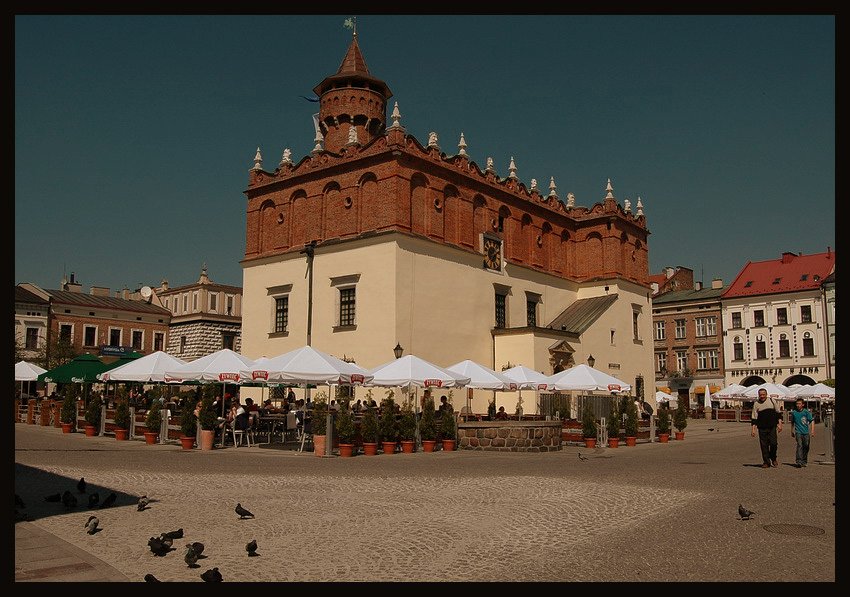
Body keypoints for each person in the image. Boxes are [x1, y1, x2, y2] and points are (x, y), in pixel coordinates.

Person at [751, 388, 783, 468]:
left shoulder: (772, 401)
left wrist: (780, 424)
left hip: (772, 426)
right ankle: (766, 462)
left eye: (763, 394)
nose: (762, 396)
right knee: (763, 445)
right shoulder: (756, 404)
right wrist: (753, 429)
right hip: (762, 427)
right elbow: (754, 417)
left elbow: (778, 413)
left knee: (773, 443)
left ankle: (773, 458)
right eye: (760, 395)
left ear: (766, 394)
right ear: (758, 395)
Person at [790, 398, 815, 468]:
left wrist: (812, 431)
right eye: (797, 404)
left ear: (803, 405)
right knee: (800, 445)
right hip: (798, 432)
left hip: (806, 432)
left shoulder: (806, 412)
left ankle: (804, 460)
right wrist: (791, 431)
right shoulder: (794, 412)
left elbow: (812, 421)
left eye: (799, 404)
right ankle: (799, 461)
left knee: (806, 446)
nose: (798, 405)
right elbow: (792, 422)